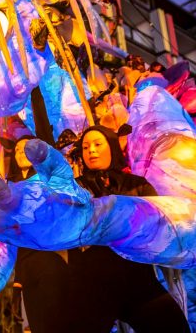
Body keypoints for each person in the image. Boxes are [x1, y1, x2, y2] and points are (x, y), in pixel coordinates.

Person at [68, 125, 190, 333]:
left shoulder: (136, 185)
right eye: (86, 147)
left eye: (98, 144)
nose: (91, 151)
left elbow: (158, 223)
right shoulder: (74, 189)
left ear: (112, 148)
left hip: (136, 278)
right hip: (91, 282)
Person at [11, 135, 73, 333]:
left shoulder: (45, 179)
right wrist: (18, 281)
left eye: (25, 148)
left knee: (54, 324)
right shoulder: (12, 186)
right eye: (16, 150)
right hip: (28, 267)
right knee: (37, 325)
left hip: (50, 259)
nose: (20, 151)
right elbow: (19, 237)